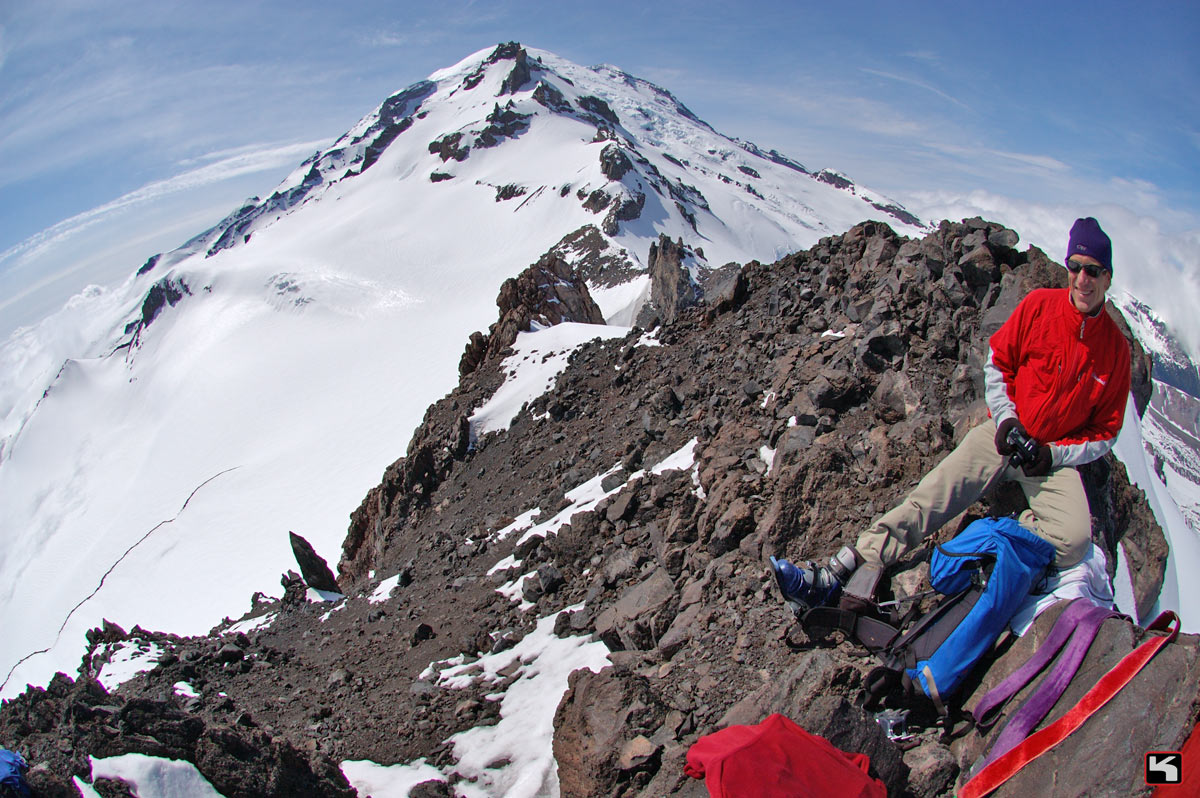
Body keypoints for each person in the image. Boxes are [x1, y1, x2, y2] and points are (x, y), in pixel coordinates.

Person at [772, 217, 1132, 613]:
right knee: (930, 497)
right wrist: (1007, 419)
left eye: (1092, 271)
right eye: (1075, 267)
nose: (1082, 279)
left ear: (1107, 278)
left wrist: (1054, 454)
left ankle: (996, 536)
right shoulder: (1040, 306)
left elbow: (1106, 431)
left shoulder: (1115, 350)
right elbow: (999, 362)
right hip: (1003, 438)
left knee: (1074, 542)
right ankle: (844, 569)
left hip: (1048, 462)